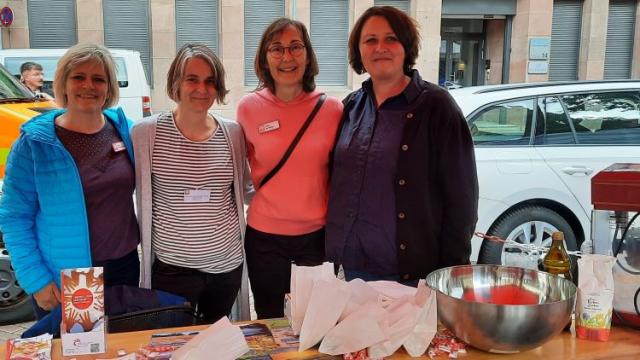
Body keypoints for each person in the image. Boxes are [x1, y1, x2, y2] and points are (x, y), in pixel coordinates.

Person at [325, 6, 479, 283]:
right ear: (358, 50)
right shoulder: (351, 106)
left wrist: (449, 272)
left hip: (410, 275)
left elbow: (462, 199)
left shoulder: (437, 107)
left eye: (391, 39)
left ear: (406, 46)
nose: (380, 47)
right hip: (351, 270)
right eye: (370, 40)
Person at [0, 43, 140, 318]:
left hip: (123, 266)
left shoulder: (125, 130)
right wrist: (35, 280)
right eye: (79, 77)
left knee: (122, 348)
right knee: (77, 353)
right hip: (68, 276)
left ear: (109, 88)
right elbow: (15, 218)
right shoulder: (33, 144)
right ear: (63, 83)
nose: (88, 85)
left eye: (98, 79)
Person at [132, 43, 251, 323]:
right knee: (174, 342)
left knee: (216, 339)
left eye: (210, 81)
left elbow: (246, 190)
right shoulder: (146, 133)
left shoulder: (232, 133)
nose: (202, 89)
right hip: (173, 270)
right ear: (176, 83)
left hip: (226, 266)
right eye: (192, 79)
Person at [237, 18, 343, 319]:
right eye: (277, 48)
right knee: (271, 323)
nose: (287, 57)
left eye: (295, 47)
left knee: (315, 323)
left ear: (307, 54)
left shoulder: (332, 109)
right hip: (265, 240)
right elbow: (236, 171)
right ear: (264, 58)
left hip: (317, 241)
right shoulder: (248, 108)